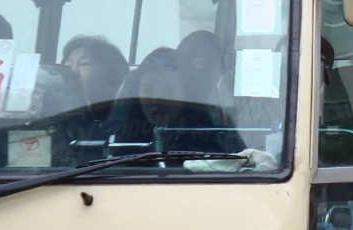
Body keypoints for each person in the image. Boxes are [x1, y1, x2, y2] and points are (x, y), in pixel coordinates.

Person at [109, 47, 242, 154]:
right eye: (148, 91)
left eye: (168, 91)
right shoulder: (126, 136)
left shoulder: (211, 134)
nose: (156, 100)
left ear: (187, 93)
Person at [60, 35, 129, 129]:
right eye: (68, 65)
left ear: (111, 73)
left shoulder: (125, 117)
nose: (73, 71)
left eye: (84, 64)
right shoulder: (53, 111)